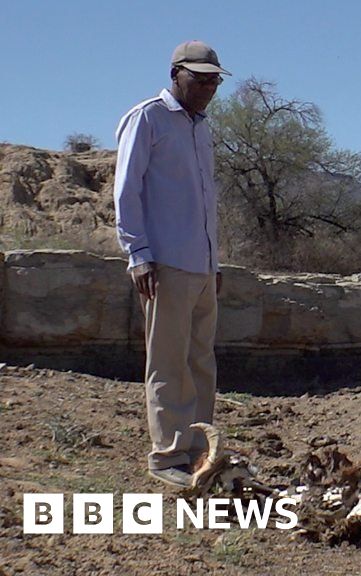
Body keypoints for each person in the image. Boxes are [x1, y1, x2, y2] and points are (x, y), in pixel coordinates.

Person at [113, 40, 230, 488]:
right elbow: (127, 190)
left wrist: (214, 261)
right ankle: (167, 456)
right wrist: (138, 254)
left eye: (214, 81)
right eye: (199, 79)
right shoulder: (148, 118)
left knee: (201, 360)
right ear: (175, 74)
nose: (207, 88)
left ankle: (200, 451)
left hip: (201, 266)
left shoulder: (202, 128)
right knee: (168, 362)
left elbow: (204, 200)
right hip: (165, 263)